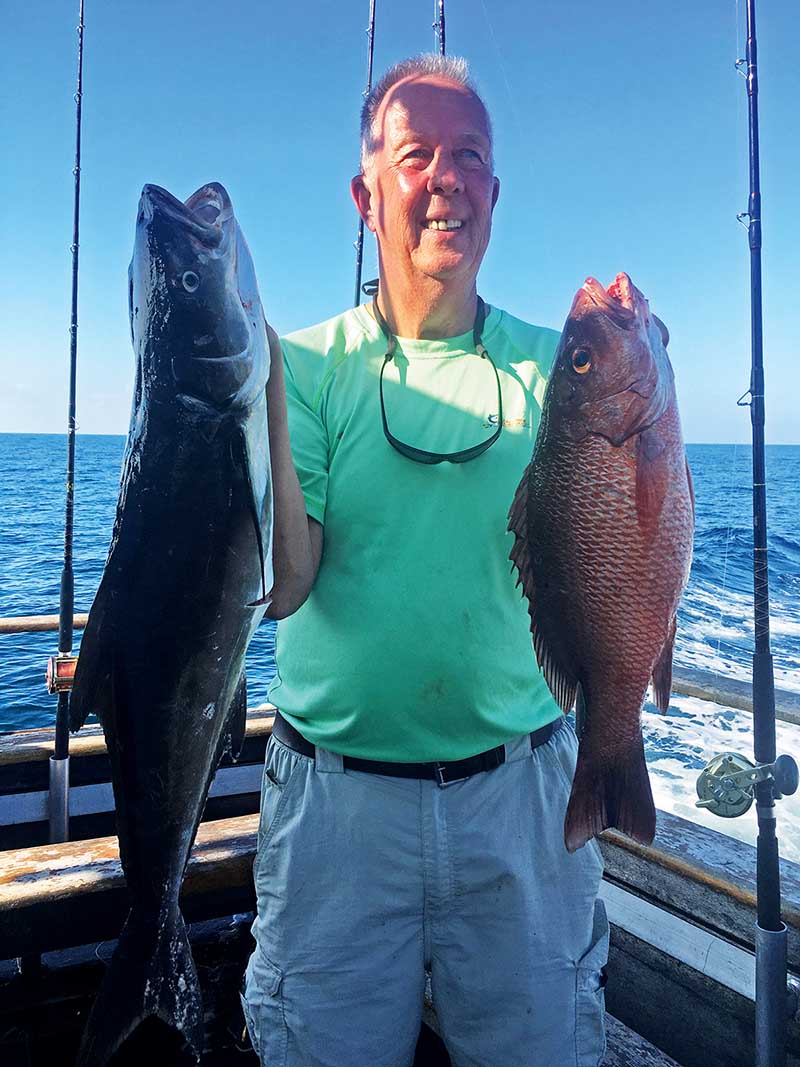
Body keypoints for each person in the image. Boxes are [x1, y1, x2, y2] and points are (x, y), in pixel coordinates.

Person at [244, 54, 609, 1067]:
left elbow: (626, 528)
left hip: (524, 795)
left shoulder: (565, 365)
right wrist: (257, 394)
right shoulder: (301, 365)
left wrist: (643, 369)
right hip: (336, 813)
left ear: (494, 194)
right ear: (366, 198)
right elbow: (287, 584)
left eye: (470, 156)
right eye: (416, 156)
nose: (446, 177)